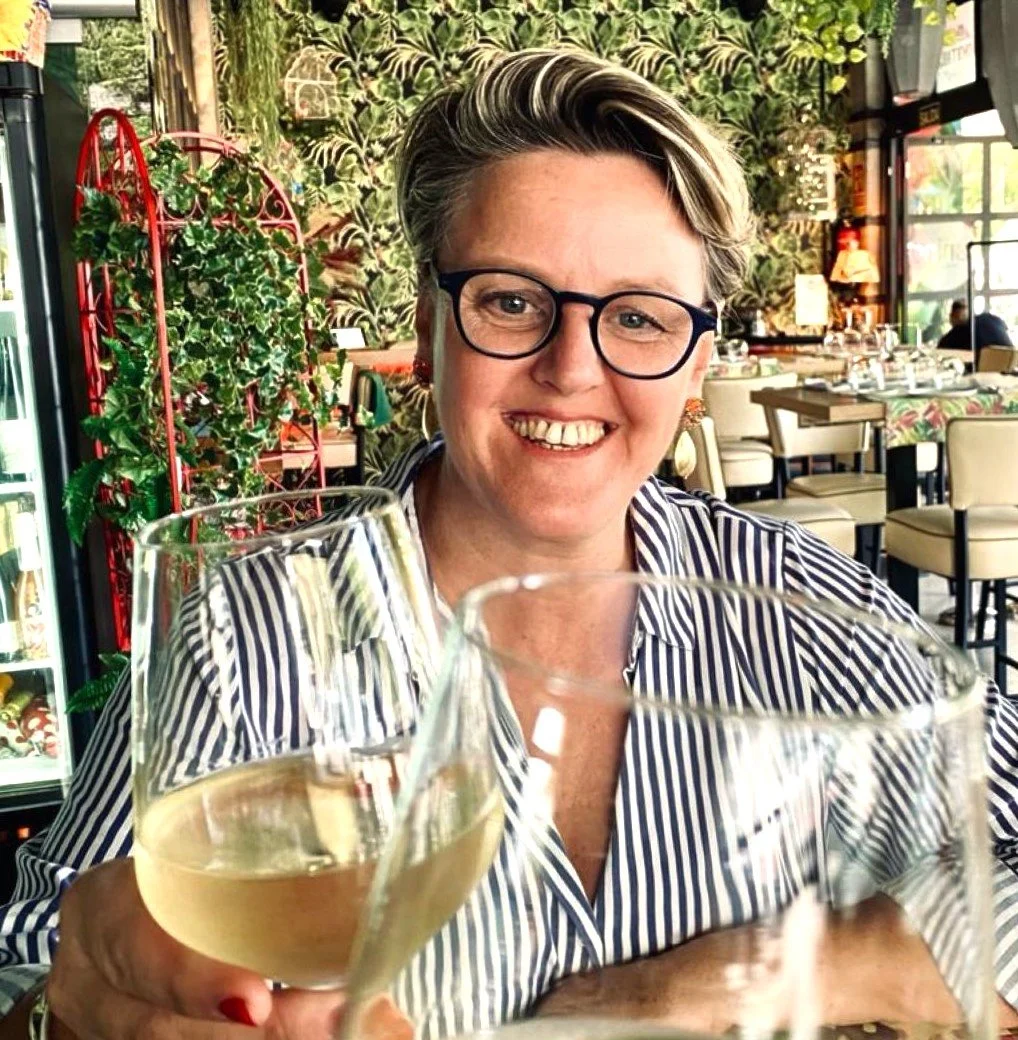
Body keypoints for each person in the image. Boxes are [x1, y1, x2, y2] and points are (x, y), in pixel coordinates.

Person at [2, 49, 1018, 1040]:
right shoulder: (243, 640)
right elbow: (35, 969)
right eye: (511, 300)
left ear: (697, 362)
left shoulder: (806, 613)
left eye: (640, 317)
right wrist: (68, 1011)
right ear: (428, 324)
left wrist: (742, 977)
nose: (571, 369)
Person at [937, 298, 1014, 353]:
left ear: (953, 317)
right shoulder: (994, 319)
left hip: (983, 369)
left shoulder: (957, 333)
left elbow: (941, 352)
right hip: (1009, 367)